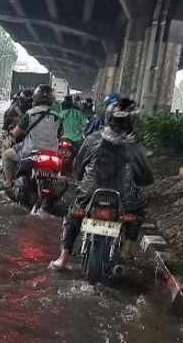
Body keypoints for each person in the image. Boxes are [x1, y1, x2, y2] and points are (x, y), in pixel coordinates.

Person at [49, 98, 153, 270]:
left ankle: (63, 258)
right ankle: (126, 250)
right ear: (132, 121)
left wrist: (81, 180)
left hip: (90, 194)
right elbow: (146, 179)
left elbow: (77, 169)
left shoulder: (92, 139)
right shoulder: (135, 147)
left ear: (108, 117)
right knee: (140, 207)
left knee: (73, 216)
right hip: (124, 200)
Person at [0, 85, 61, 192]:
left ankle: (8, 183)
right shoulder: (57, 117)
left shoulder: (30, 114)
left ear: (35, 98)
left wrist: (11, 135)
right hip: (52, 153)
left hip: (30, 151)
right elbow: (60, 134)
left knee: (7, 155)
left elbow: (15, 133)